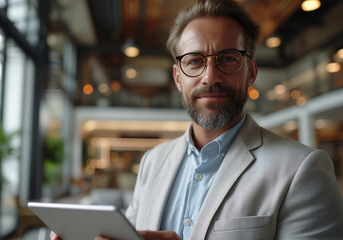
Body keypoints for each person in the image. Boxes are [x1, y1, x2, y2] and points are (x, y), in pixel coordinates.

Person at [51, 0, 343, 239]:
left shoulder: (302, 170)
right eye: (194, 61)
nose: (210, 76)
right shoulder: (153, 162)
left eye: (228, 58)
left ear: (251, 72)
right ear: (178, 78)